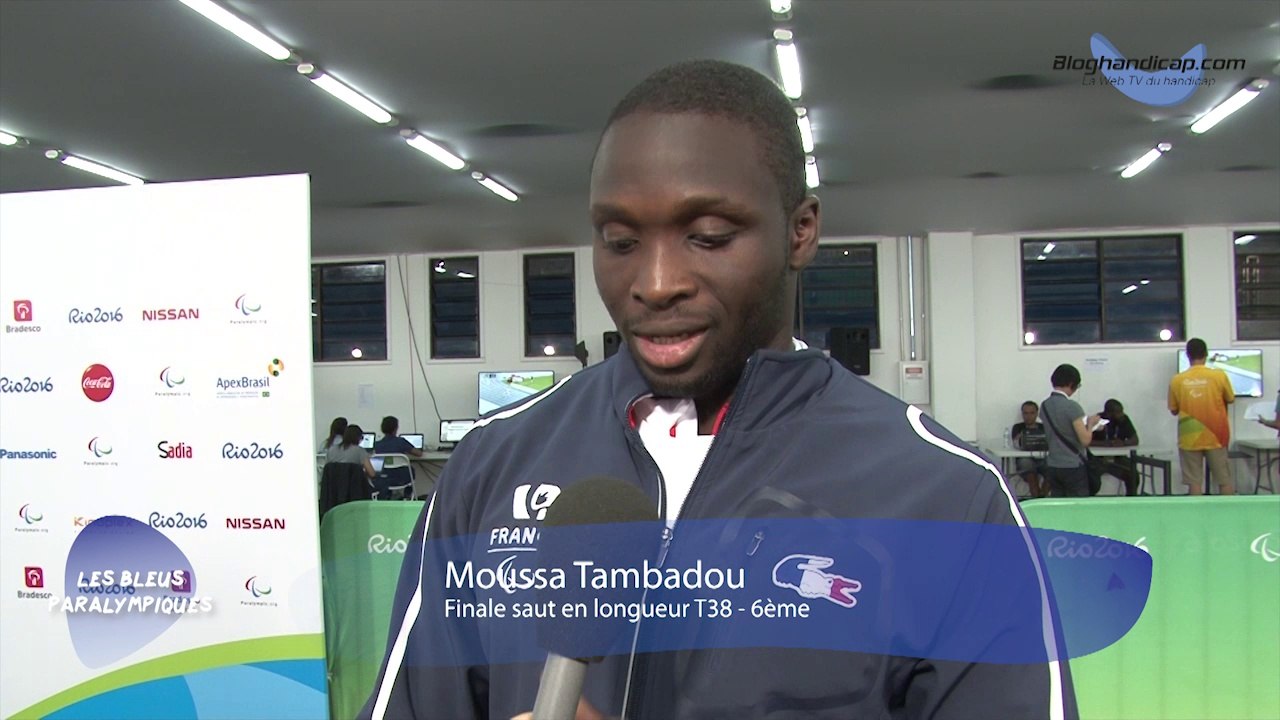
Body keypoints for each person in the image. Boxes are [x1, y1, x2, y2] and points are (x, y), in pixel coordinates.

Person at [361, 60, 1075, 720]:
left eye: (706, 236)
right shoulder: (492, 464)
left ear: (800, 231)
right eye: (620, 241)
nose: (656, 283)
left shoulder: (949, 500)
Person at [1168, 338, 1235, 495]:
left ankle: (1196, 511)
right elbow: (1230, 399)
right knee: (1224, 480)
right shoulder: (1219, 376)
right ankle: (1230, 510)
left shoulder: (1177, 380)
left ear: (1187, 355)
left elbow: (1173, 410)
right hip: (1217, 434)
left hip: (1189, 435)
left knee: (1194, 482)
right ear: (1206, 354)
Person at [1040, 364, 1103, 498]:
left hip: (1053, 463)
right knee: (1077, 505)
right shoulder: (1072, 407)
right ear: (1071, 384)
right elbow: (1085, 440)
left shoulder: (1044, 406)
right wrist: (1091, 424)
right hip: (1073, 465)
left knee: (1058, 503)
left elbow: (1061, 428)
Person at [1092, 399, 1139, 496]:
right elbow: (1087, 441)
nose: (1121, 414)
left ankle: (1131, 499)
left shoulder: (1124, 419)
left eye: (1121, 411)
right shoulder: (1097, 419)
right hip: (1098, 459)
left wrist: (1123, 443)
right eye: (1118, 412)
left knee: (1133, 475)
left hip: (1118, 459)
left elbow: (1135, 439)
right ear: (1108, 413)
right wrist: (1105, 444)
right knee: (1090, 478)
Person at [1010, 400, 1048, 498]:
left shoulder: (1044, 427)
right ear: (1022, 414)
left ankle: (1043, 497)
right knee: (1029, 468)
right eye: (1026, 413)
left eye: (1032, 413)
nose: (1028, 416)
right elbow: (1016, 444)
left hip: (1042, 459)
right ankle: (1037, 498)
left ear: (1037, 414)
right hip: (1025, 459)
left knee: (1053, 469)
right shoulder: (1018, 427)